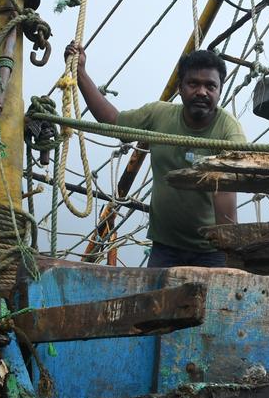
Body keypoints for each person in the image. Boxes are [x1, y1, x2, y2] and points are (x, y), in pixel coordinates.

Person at [66, 42, 244, 267]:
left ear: (220, 90)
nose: (202, 92)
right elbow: (112, 121)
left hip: (211, 251)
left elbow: (228, 191)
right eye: (193, 84)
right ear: (180, 87)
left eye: (211, 86)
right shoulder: (158, 115)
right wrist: (80, 73)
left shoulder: (229, 131)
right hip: (165, 248)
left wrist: (231, 255)